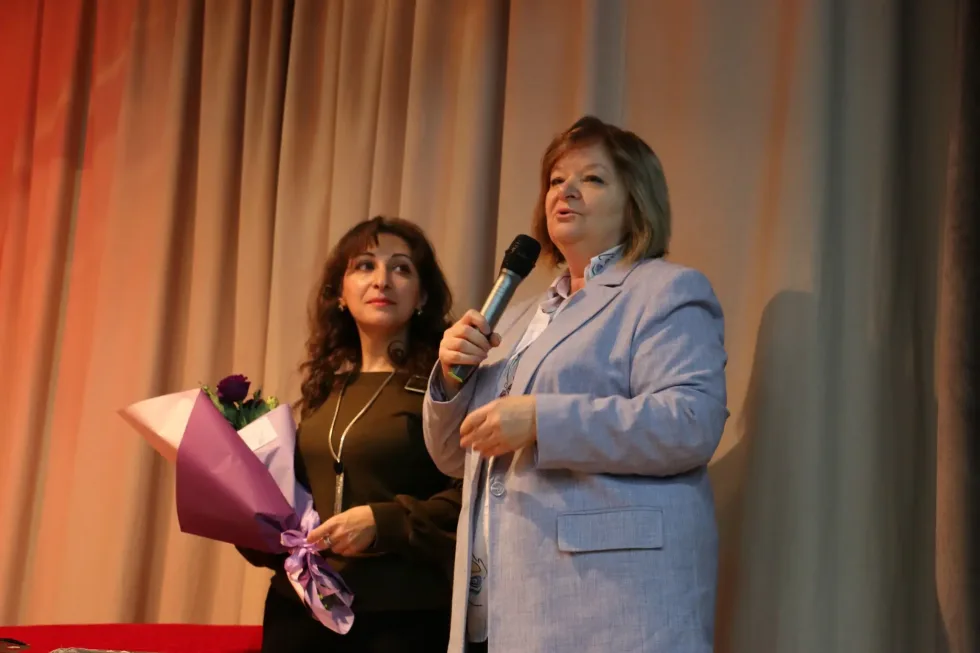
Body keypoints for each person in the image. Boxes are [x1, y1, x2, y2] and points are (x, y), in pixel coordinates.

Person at [423, 116, 728, 653]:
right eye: (556, 180)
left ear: (635, 202)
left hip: (611, 609)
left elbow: (690, 423)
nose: (565, 191)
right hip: (501, 613)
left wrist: (542, 420)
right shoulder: (516, 317)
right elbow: (454, 456)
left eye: (592, 178)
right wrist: (450, 378)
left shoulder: (666, 290)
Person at [239, 216, 462, 653]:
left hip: (402, 618)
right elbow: (298, 508)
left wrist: (383, 522)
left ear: (422, 296)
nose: (382, 280)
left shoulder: (446, 388)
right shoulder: (324, 391)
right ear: (340, 293)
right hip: (299, 613)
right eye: (364, 265)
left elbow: (473, 499)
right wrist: (248, 515)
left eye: (401, 268)